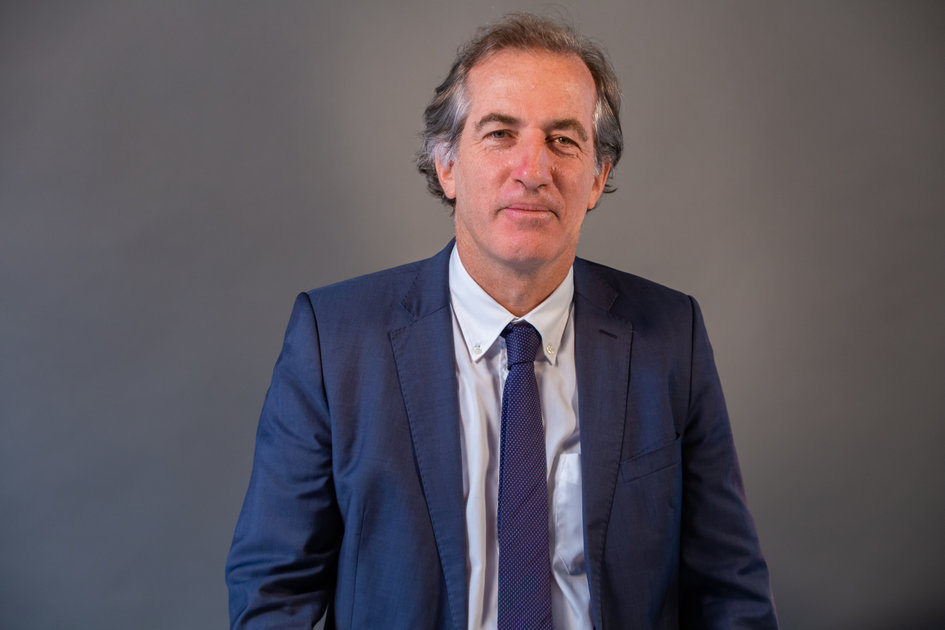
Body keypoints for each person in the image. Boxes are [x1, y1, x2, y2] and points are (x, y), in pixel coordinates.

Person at [225, 13, 778, 630]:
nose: (532, 169)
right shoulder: (335, 342)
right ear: (447, 165)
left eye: (563, 140)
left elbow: (730, 591)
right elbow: (273, 594)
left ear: (598, 177)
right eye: (500, 134)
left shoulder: (671, 337)